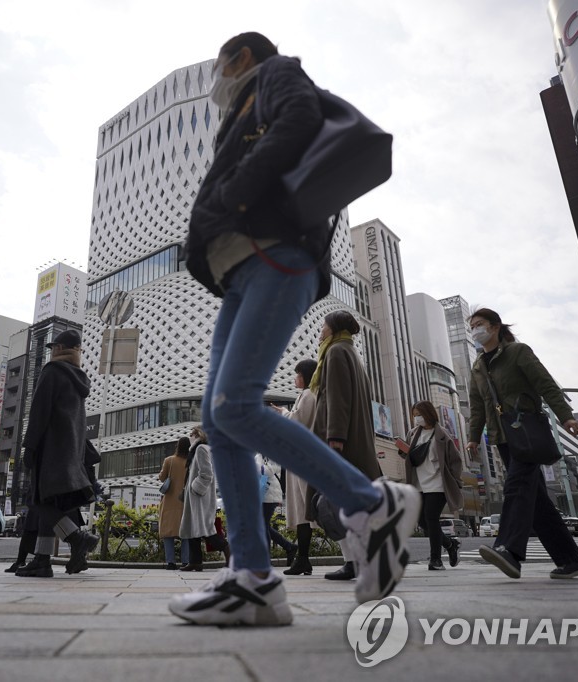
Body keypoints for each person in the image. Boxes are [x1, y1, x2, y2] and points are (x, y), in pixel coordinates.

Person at [171, 32, 420, 626]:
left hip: (276, 255)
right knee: (218, 418)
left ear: (243, 58)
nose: (216, 78)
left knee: (235, 404)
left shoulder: (276, 77)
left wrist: (233, 197)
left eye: (220, 65)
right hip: (241, 272)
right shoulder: (241, 109)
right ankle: (252, 579)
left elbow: (300, 120)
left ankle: (370, 504)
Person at [467, 308, 578, 580]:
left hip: (526, 431)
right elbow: (477, 405)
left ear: (495, 327)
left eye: (480, 324)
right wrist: (473, 437)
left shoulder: (518, 352)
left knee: (517, 486)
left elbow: (545, 384)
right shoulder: (478, 366)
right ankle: (570, 560)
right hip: (501, 437)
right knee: (537, 503)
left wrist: (566, 417)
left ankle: (509, 550)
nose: (475, 330)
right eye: (472, 326)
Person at [14, 329, 99, 578]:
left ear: (60, 348)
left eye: (54, 347)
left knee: (39, 501)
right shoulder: (78, 378)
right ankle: (41, 559)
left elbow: (40, 411)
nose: (51, 351)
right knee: (49, 503)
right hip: (69, 451)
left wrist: (29, 446)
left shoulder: (52, 372)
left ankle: (77, 537)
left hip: (49, 448)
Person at [310, 310, 384, 582]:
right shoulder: (352, 353)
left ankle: (358, 561)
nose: (320, 330)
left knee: (338, 504)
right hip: (353, 439)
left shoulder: (336, 352)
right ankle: (357, 561)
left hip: (340, 441)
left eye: (323, 326)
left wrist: (335, 437)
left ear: (333, 328)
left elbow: (337, 397)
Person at [399, 401, 463, 571]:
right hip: (418, 483)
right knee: (422, 520)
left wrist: (456, 480)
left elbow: (455, 460)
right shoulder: (413, 434)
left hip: (438, 483)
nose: (416, 418)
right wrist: (402, 451)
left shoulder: (442, 435)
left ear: (428, 414)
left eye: (419, 414)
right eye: (414, 415)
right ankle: (450, 544)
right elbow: (409, 457)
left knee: (431, 517)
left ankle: (436, 560)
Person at [271, 359, 317, 576]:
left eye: (298, 374)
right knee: (302, 511)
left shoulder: (309, 395)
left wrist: (283, 414)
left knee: (305, 510)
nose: (295, 378)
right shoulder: (305, 395)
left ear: (306, 376)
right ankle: (303, 559)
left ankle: (303, 559)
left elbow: (298, 421)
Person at [179, 427, 229, 571]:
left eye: (191, 434)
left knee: (206, 531)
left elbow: (206, 474)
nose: (189, 437)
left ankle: (229, 552)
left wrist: (195, 488)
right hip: (198, 498)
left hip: (200, 497)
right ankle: (195, 561)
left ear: (198, 435)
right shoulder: (200, 449)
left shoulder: (201, 448)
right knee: (192, 529)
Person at [255, 453, 297, 565]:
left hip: (271, 496)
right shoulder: (259, 455)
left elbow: (267, 471)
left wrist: (254, 466)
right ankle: (289, 547)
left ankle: (266, 559)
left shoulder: (273, 455)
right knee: (263, 526)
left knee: (263, 526)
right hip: (262, 494)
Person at [158, 437, 191, 569]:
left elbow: (162, 478)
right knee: (185, 533)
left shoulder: (169, 460)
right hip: (185, 500)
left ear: (177, 446)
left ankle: (171, 562)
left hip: (170, 500)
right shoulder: (190, 462)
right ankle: (185, 561)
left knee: (168, 532)